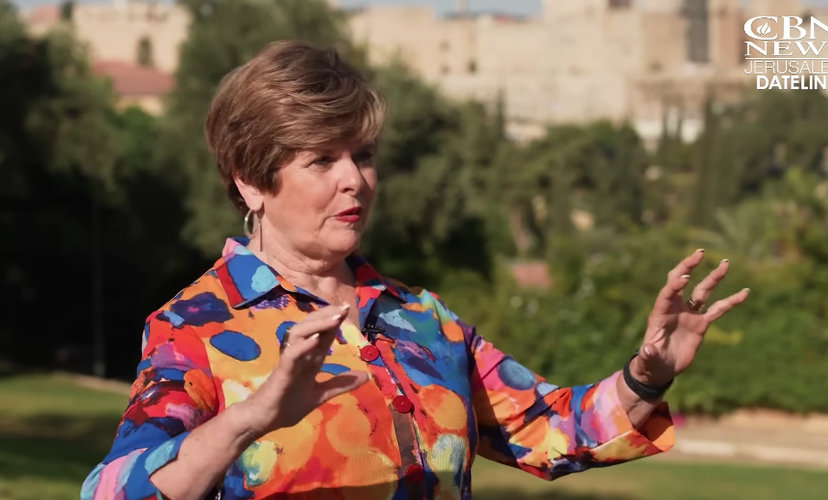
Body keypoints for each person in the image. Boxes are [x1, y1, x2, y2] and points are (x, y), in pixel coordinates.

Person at [80, 40, 749, 500]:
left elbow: (550, 432)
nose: (356, 181)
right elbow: (118, 490)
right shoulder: (194, 327)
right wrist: (250, 418)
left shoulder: (421, 320)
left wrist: (648, 373)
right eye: (322, 161)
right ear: (250, 181)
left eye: (364, 155)